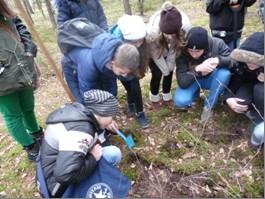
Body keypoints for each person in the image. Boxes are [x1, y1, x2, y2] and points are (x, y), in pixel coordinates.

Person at [40, 89, 122, 197]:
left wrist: (107, 128)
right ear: (102, 113)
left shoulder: (80, 113)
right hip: (59, 187)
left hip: (59, 166)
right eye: (111, 117)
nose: (112, 120)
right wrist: (93, 157)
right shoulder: (81, 131)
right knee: (113, 154)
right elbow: (64, 176)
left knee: (111, 152)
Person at [0, 0, 43, 161]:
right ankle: (30, 146)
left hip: (22, 67)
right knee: (12, 115)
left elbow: (19, 26)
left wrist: (29, 46)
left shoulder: (4, 11)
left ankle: (36, 133)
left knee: (28, 106)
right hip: (2, 81)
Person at [174, 27, 232, 122]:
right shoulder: (182, 50)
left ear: (205, 48)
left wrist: (219, 60)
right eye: (191, 51)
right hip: (193, 79)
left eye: (198, 51)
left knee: (224, 74)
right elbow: (182, 81)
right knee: (181, 101)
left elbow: (233, 60)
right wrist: (197, 70)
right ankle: (194, 96)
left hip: (212, 78)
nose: (194, 55)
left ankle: (209, 106)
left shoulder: (217, 44)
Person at [55, 0, 108, 103]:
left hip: (98, 45)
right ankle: (90, 109)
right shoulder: (65, 4)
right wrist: (85, 39)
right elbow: (64, 29)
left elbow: (102, 20)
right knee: (86, 83)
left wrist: (104, 37)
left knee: (102, 78)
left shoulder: (94, 2)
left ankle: (104, 107)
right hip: (80, 47)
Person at [146, 1, 191, 109]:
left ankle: (167, 96)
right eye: (167, 33)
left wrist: (169, 68)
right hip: (156, 49)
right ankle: (154, 98)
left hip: (173, 47)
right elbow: (154, 51)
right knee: (157, 73)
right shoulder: (152, 31)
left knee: (169, 73)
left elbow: (176, 48)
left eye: (173, 34)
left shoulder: (185, 27)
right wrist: (165, 69)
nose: (170, 37)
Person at [67, 32, 140, 99]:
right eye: (122, 72)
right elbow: (87, 93)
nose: (124, 75)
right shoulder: (89, 67)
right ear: (112, 63)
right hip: (72, 66)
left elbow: (110, 83)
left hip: (96, 66)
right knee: (81, 99)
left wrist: (111, 101)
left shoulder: (115, 59)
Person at [110, 14, 149, 128]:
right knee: (128, 87)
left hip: (133, 67)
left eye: (140, 41)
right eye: (134, 42)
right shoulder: (115, 41)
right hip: (120, 68)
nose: (138, 44)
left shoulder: (141, 41)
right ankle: (130, 104)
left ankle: (140, 113)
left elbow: (143, 54)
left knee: (135, 89)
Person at [224, 32, 264, 125]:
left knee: (260, 90)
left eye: (256, 61)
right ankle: (253, 111)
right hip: (249, 87)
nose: (250, 63)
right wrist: (228, 98)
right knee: (241, 104)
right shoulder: (240, 64)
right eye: (247, 60)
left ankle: (260, 118)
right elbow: (234, 81)